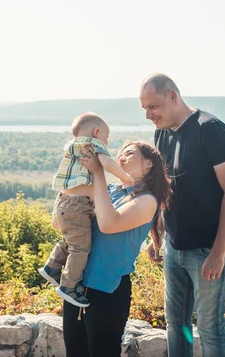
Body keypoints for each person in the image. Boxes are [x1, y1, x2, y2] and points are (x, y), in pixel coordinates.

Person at [139, 73, 225, 356]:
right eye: (145, 109)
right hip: (174, 246)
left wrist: (218, 253)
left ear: (173, 96)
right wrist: (157, 235)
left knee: (209, 327)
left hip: (208, 248)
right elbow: (166, 188)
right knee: (176, 324)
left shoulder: (210, 129)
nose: (149, 115)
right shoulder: (161, 132)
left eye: (153, 106)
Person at [62, 140, 171, 357]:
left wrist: (98, 173)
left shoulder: (147, 200)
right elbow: (65, 218)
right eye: (120, 153)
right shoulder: (111, 190)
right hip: (76, 287)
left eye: (129, 153)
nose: (120, 157)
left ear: (149, 164)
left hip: (108, 291)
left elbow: (109, 224)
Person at [38, 112, 134, 307]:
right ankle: (69, 286)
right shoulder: (93, 146)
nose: (106, 142)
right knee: (81, 247)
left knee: (73, 240)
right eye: (106, 138)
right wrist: (126, 178)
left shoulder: (72, 147)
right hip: (77, 206)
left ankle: (52, 267)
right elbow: (107, 163)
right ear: (96, 132)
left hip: (65, 202)